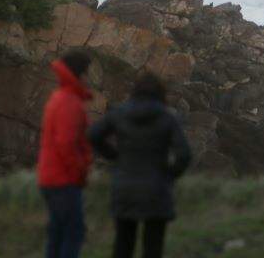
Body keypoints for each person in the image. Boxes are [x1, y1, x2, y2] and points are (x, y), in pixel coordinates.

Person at [88, 72, 192, 258]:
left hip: (125, 186)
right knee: (153, 246)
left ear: (135, 91)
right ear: (161, 93)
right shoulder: (167, 117)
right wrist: (170, 174)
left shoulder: (119, 113)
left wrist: (114, 155)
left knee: (123, 244)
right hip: (156, 187)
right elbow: (184, 154)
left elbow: (93, 135)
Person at [37, 49, 94, 258]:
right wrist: (80, 171)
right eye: (88, 72)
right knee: (73, 233)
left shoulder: (59, 96)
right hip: (64, 180)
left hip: (51, 177)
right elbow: (66, 144)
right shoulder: (69, 101)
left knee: (58, 233)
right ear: (80, 73)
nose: (90, 77)